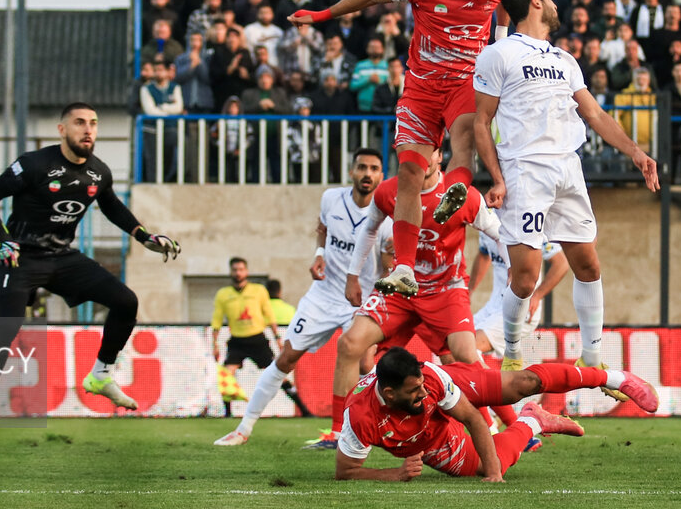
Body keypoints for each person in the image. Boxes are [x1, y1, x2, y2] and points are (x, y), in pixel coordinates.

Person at [289, 0, 510, 302]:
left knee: (464, 137)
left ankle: (456, 187)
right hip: (421, 88)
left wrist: (501, 51)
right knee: (409, 171)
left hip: (464, 83)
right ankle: (404, 268)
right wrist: (322, 15)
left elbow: (507, 9)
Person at [472, 0, 659, 392]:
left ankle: (592, 360)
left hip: (568, 169)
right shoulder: (497, 55)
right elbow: (481, 123)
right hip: (526, 170)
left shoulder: (565, 59)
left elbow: (594, 115)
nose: (557, 4)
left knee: (589, 265)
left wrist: (636, 152)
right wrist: (498, 177)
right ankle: (514, 353)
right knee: (524, 277)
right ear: (536, 2)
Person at [0, 103, 181, 442]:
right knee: (9, 326)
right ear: (62, 129)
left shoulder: (99, 172)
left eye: (93, 123)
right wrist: (2, 239)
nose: (88, 129)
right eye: (80, 123)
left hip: (62, 257)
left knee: (126, 301)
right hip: (20, 256)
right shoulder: (34, 164)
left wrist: (145, 236)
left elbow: (111, 206)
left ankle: (100, 375)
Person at [320, 145, 506, 447]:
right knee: (351, 345)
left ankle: (494, 428)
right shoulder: (389, 191)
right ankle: (339, 433)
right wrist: (353, 276)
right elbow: (369, 231)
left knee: (465, 358)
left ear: (439, 156)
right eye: (413, 152)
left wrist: (516, 271)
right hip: (402, 289)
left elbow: (501, 234)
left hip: (446, 289)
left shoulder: (464, 194)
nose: (422, 157)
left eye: (429, 151)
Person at [214, 148, 390, 446]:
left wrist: (381, 293)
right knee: (286, 357)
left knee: (364, 364)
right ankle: (243, 429)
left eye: (374, 169)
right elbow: (322, 228)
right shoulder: (331, 198)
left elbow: (389, 264)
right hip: (323, 295)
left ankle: (361, 430)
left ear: (381, 176)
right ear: (351, 172)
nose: (367, 174)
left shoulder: (387, 217)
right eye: (362, 167)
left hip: (360, 301)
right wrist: (319, 254)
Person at [335, 346, 660, 482]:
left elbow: (473, 417)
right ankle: (534, 420)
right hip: (430, 440)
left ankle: (615, 378)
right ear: (389, 394)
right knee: (486, 463)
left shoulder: (430, 379)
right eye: (412, 391)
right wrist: (396, 474)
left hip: (452, 386)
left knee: (524, 382)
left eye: (420, 385)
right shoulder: (360, 416)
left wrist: (496, 477)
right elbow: (346, 471)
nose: (420, 393)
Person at [469, 237, 569, 363]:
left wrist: (537, 295)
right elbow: (483, 255)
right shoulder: (486, 221)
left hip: (522, 308)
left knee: (469, 348)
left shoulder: (529, 226)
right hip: (493, 305)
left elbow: (561, 264)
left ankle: (492, 382)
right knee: (454, 345)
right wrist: (469, 290)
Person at [212, 257, 286, 416]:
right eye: (235, 270)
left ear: (246, 271)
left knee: (276, 372)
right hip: (237, 341)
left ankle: (303, 408)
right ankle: (227, 413)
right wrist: (215, 344)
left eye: (241, 269)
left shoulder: (258, 290)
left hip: (257, 339)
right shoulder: (223, 294)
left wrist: (277, 338)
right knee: (227, 374)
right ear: (230, 272)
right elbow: (217, 320)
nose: (238, 273)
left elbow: (269, 315)